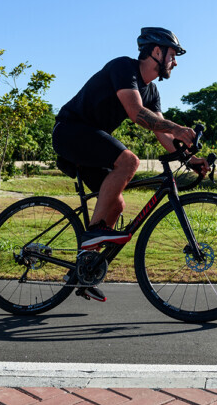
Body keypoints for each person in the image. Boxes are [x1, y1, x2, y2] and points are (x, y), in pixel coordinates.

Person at [53, 28, 208, 301]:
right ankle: (92, 237)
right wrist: (179, 127)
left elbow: (163, 133)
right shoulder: (124, 67)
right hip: (70, 131)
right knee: (129, 161)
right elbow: (137, 113)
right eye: (172, 55)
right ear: (156, 52)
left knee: (117, 204)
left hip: (89, 141)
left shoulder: (153, 91)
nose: (175, 62)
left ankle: (84, 269)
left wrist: (191, 159)